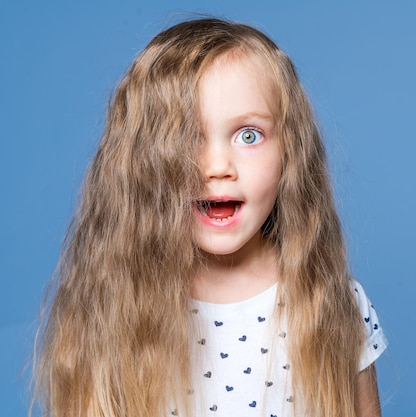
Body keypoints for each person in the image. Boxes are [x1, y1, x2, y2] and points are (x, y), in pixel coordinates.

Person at [34, 17, 387, 417]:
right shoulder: (112, 307)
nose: (218, 166)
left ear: (291, 151)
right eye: (186, 138)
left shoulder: (332, 302)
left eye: (248, 135)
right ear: (140, 164)